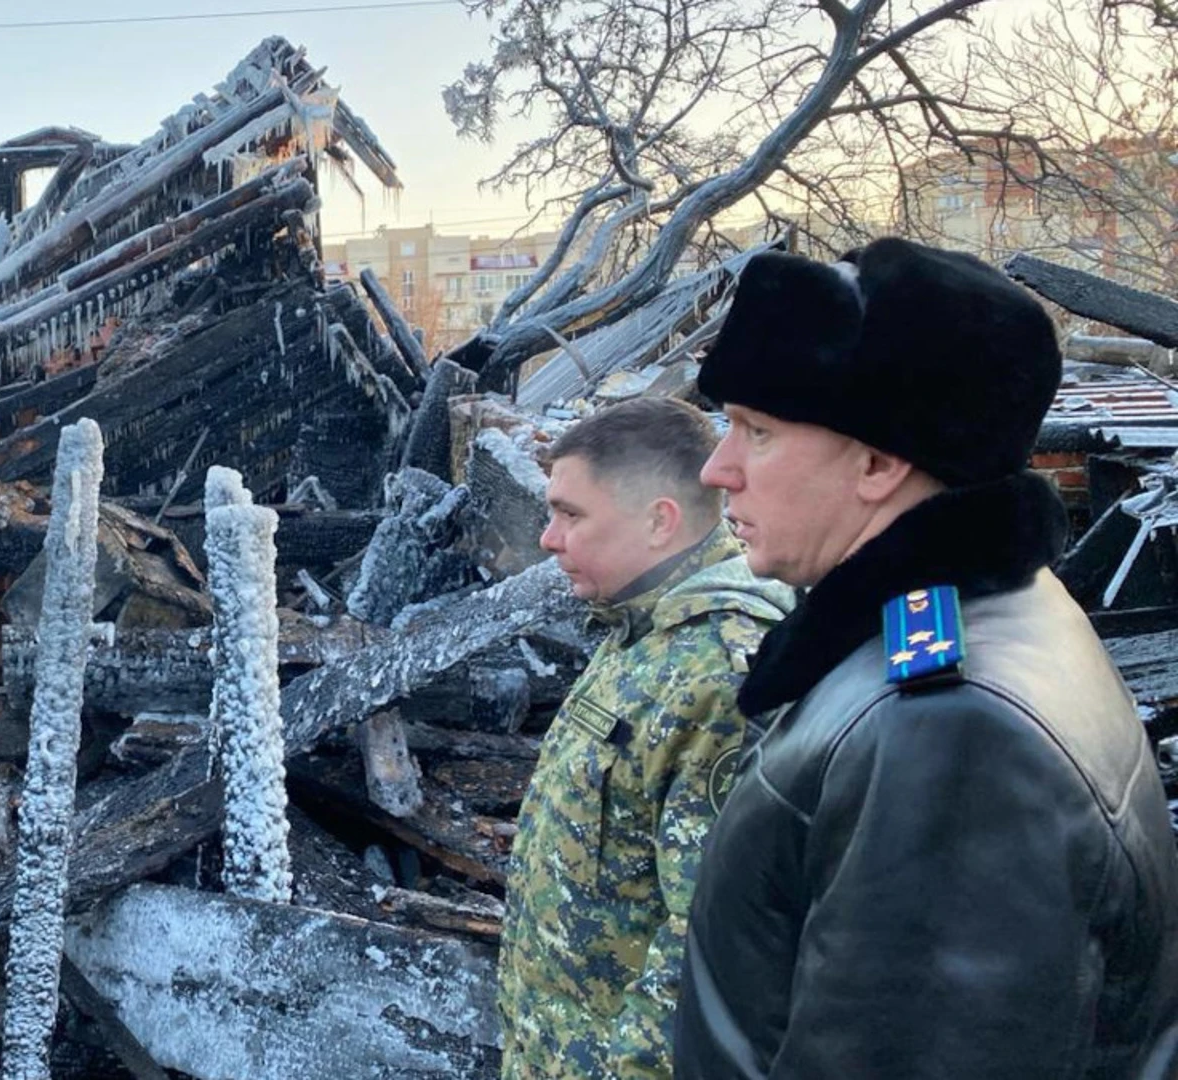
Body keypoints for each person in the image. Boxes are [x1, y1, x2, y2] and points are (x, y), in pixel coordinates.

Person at [677, 237, 1178, 1079]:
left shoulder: (951, 734)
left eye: (755, 431)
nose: (717, 468)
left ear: (878, 462)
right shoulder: (978, 612)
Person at [499, 396, 795, 1080]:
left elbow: (707, 949)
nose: (548, 538)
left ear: (660, 522)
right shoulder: (642, 631)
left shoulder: (719, 673)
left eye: (570, 514)